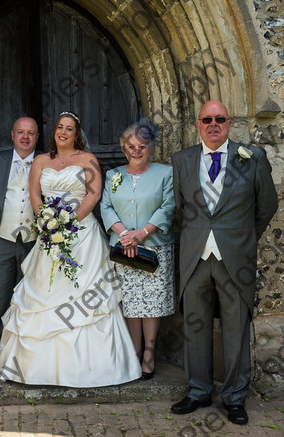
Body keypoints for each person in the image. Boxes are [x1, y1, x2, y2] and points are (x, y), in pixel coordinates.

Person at [0, 111, 141, 387]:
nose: (63, 132)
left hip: (82, 236)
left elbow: (93, 194)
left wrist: (70, 221)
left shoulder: (87, 160)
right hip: (49, 235)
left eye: (69, 129)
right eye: (60, 127)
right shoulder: (40, 160)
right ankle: (36, 368)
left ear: (76, 134)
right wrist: (47, 224)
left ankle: (91, 368)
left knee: (84, 298)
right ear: (54, 132)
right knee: (42, 296)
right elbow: (35, 193)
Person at [171, 101, 278, 425]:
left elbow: (267, 205)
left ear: (230, 124)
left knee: (235, 329)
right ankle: (198, 391)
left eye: (220, 119)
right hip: (196, 258)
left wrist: (242, 237)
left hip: (235, 257)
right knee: (195, 327)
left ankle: (234, 398)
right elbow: (178, 210)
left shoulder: (252, 157)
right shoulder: (182, 160)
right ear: (198, 124)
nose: (213, 124)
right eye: (207, 119)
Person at [100, 117, 175, 380]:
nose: (137, 150)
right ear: (124, 148)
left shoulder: (165, 173)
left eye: (142, 145)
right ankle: (134, 351)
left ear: (151, 147)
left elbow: (168, 206)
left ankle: (149, 355)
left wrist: (142, 234)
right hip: (123, 248)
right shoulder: (113, 175)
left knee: (151, 306)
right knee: (131, 304)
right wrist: (125, 235)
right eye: (131, 145)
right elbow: (106, 206)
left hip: (154, 248)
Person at [0, 117, 39, 366]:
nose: (25, 137)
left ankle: (25, 347)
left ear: (37, 136)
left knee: (29, 295)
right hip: (3, 238)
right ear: (12, 135)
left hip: (34, 240)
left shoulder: (44, 162)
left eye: (30, 133)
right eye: (20, 133)